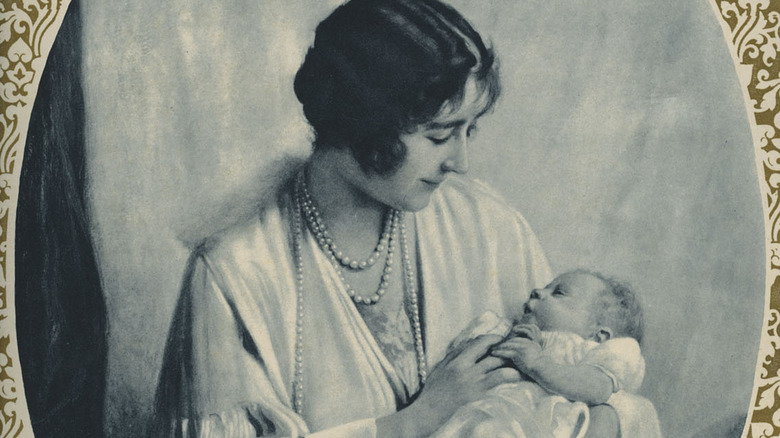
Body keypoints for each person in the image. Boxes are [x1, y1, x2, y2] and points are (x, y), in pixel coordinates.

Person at [149, 1, 656, 436]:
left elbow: (592, 395)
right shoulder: (236, 276)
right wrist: (416, 422)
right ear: (362, 121)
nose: (459, 161)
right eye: (438, 135)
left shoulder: (488, 227)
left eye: (468, 131)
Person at [433, 270, 661, 438]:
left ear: (599, 334)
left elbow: (597, 389)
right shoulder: (504, 328)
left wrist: (538, 363)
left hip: (548, 424)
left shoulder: (593, 352)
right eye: (545, 287)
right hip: (488, 417)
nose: (538, 291)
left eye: (559, 293)